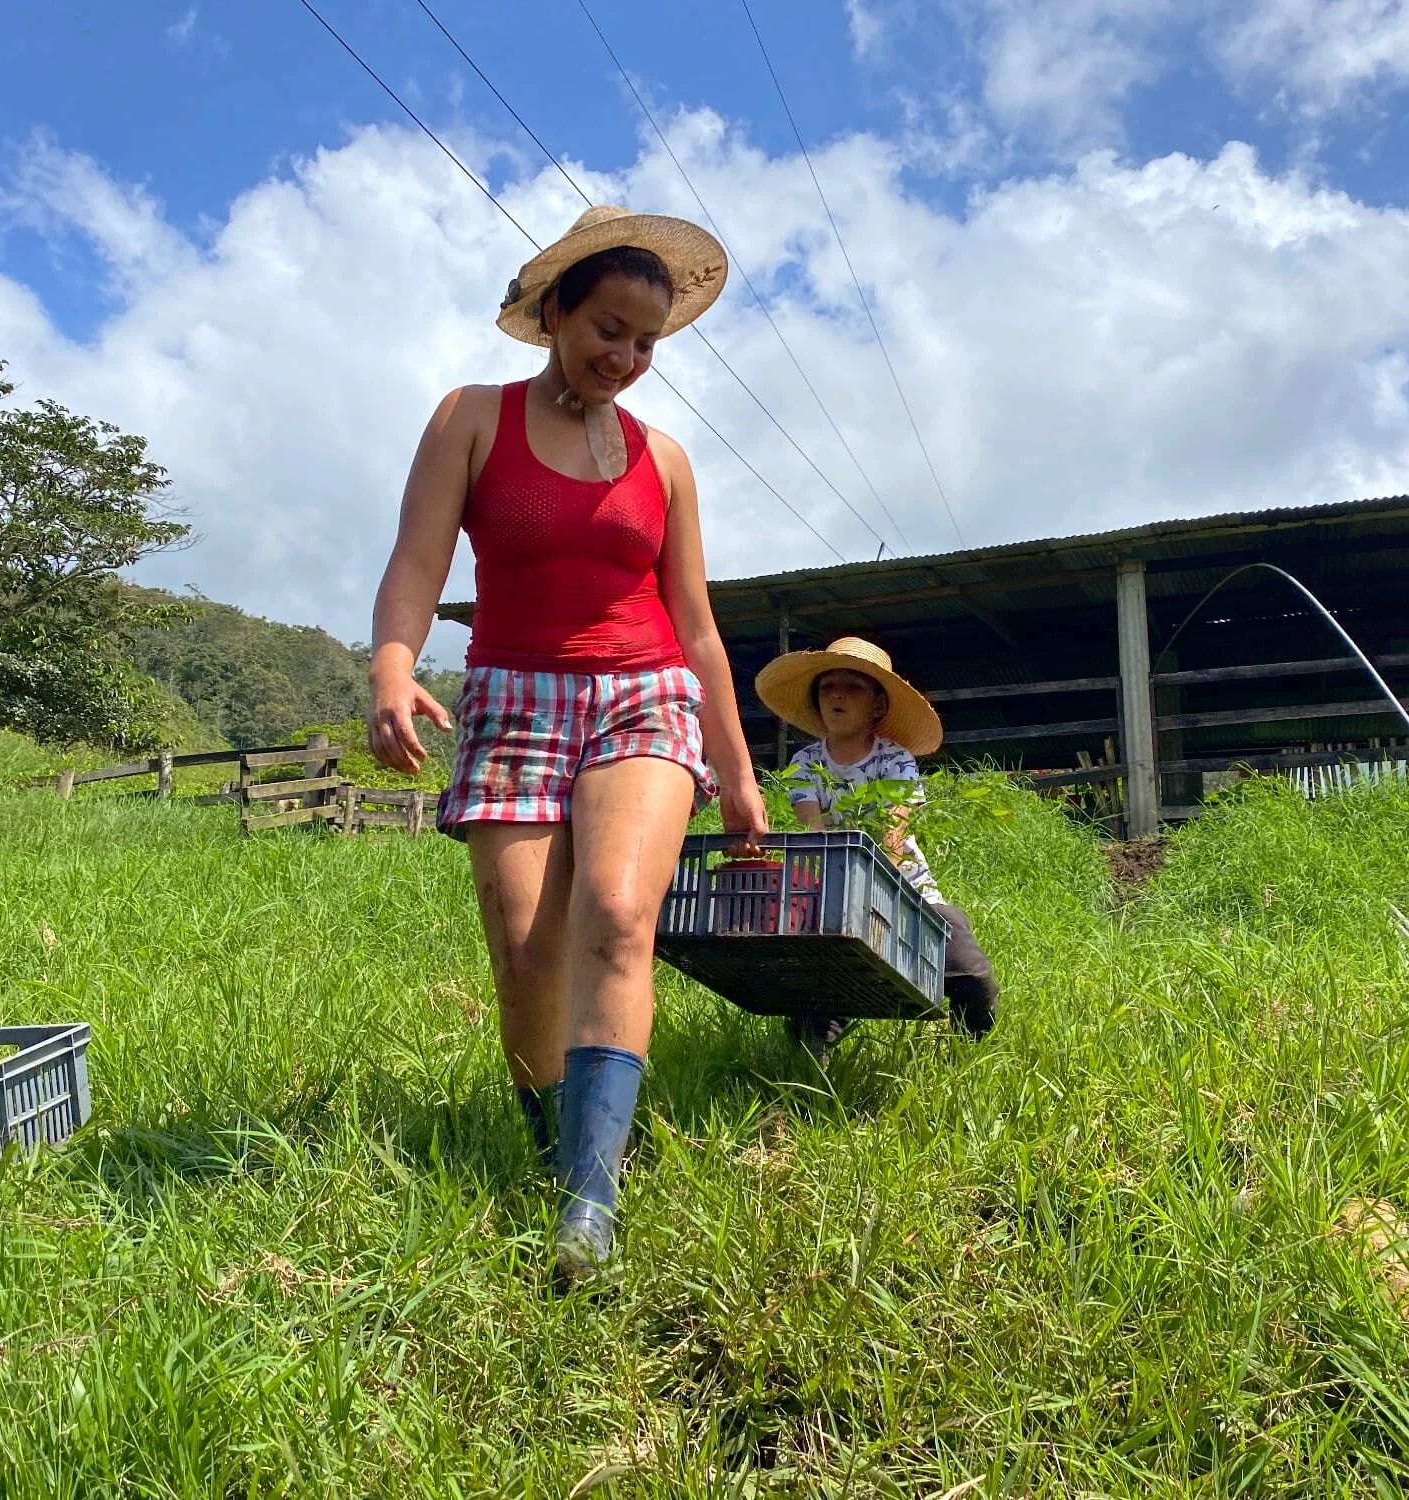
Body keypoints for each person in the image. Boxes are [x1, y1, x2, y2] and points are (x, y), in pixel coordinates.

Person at [364, 206, 769, 1287]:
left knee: (621, 914)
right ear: (553, 314)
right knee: (522, 939)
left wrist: (734, 770)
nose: (626, 356)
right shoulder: (470, 419)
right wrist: (393, 668)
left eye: (646, 340)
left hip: (643, 694)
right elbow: (415, 562)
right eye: (608, 327)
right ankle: (553, 1152)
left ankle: (591, 1199)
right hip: (510, 695)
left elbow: (694, 624)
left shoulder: (666, 460)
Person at [755, 636, 1000, 1052]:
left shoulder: (895, 758)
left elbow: (894, 832)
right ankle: (810, 1066)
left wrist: (877, 889)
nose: (837, 694)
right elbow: (815, 834)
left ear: (878, 706)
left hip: (904, 884)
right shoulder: (805, 765)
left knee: (964, 962)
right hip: (834, 887)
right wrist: (848, 895)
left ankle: (972, 1045)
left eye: (853, 686)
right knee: (820, 981)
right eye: (827, 686)